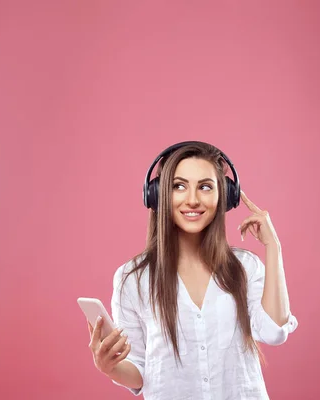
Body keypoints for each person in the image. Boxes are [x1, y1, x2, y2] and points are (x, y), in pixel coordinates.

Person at [87, 141, 298, 399]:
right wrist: (110, 367)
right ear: (157, 195)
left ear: (225, 196)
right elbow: (139, 369)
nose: (193, 200)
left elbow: (275, 332)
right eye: (179, 186)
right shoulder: (132, 280)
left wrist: (273, 247)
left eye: (205, 187)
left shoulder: (245, 268)